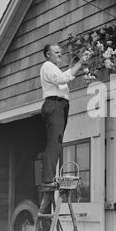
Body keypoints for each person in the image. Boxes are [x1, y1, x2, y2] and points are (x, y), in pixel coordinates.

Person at [40, 43, 83, 188]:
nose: (60, 54)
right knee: (54, 141)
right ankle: (47, 178)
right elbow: (61, 80)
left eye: (60, 52)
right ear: (48, 54)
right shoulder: (47, 66)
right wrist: (79, 64)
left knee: (56, 141)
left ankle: (48, 177)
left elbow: (62, 78)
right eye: (56, 52)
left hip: (59, 105)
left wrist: (72, 67)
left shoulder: (54, 68)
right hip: (55, 104)